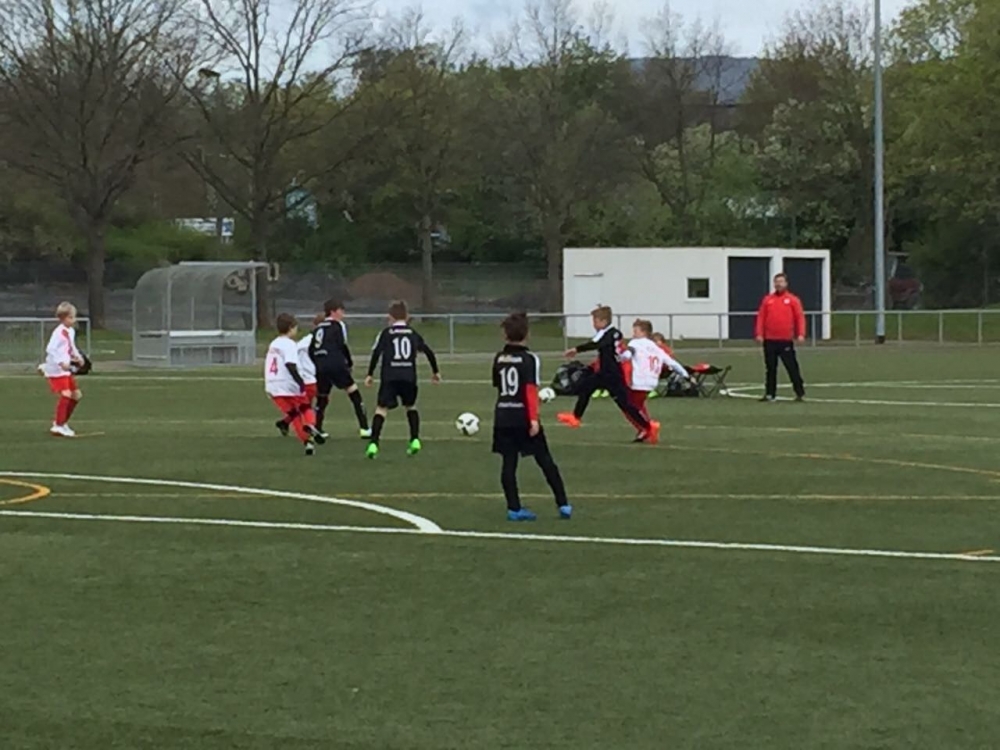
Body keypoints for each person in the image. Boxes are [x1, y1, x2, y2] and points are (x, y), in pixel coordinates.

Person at [493, 313, 572, 521]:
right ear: (527, 334)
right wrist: (534, 418)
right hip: (523, 416)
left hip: (503, 414)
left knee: (509, 463)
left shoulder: (499, 358)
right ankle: (563, 504)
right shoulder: (530, 359)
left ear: (505, 335)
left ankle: (514, 508)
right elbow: (530, 390)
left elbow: (499, 386)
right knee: (544, 460)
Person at [557, 305, 660, 444]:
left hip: (612, 374)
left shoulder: (610, 333)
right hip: (605, 373)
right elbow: (598, 344)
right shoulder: (610, 333)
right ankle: (576, 417)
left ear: (604, 321)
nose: (594, 324)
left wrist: (576, 349)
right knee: (586, 388)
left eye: (595, 321)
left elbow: (596, 344)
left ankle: (648, 427)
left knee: (625, 404)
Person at [363, 301, 441, 459]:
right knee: (410, 406)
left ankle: (373, 444)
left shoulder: (386, 333)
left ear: (391, 317)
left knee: (381, 409)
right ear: (406, 316)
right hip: (408, 376)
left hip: (390, 376)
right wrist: (435, 371)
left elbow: (376, 353)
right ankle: (415, 440)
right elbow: (428, 351)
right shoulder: (412, 333)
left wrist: (370, 374)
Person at [309, 299, 371, 438]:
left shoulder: (318, 328)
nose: (343, 314)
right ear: (333, 312)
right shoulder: (338, 325)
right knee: (354, 393)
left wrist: (318, 363)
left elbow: (311, 350)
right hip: (335, 364)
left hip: (321, 366)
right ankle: (364, 428)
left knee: (322, 398)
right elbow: (342, 345)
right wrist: (349, 363)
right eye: (341, 311)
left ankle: (317, 428)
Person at [265, 314, 323, 455]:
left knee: (294, 414)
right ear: (291, 328)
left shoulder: (274, 344)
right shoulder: (289, 344)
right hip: (288, 385)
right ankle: (310, 425)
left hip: (273, 386)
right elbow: (290, 364)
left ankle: (307, 443)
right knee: (305, 407)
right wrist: (300, 381)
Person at [620, 319, 690, 435]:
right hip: (651, 381)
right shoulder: (656, 347)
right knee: (638, 405)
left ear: (643, 332)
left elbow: (628, 354)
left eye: (636, 331)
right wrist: (685, 373)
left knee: (628, 407)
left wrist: (620, 357)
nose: (633, 334)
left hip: (639, 380)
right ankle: (644, 429)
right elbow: (671, 362)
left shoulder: (635, 343)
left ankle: (647, 427)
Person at [754, 272, 807, 402]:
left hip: (785, 340)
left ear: (786, 283)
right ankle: (770, 394)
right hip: (770, 340)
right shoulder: (767, 300)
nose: (778, 284)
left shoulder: (793, 300)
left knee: (791, 367)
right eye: (776, 282)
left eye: (781, 281)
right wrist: (759, 333)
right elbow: (761, 317)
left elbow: (799, 317)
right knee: (770, 368)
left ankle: (799, 392)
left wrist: (801, 334)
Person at [42, 302, 85, 437]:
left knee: (76, 395)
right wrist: (60, 362)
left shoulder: (70, 331)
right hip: (56, 369)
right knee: (66, 394)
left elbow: (71, 347)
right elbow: (50, 349)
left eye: (74, 317)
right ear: (63, 318)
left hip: (65, 369)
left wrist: (78, 357)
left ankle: (62, 422)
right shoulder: (58, 333)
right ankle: (58, 425)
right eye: (70, 317)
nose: (73, 320)